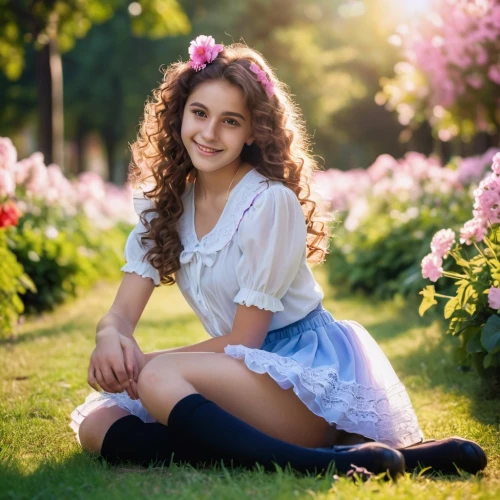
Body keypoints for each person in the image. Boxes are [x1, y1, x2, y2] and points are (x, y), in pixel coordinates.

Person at [70, 35, 487, 479]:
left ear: (253, 131)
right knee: (97, 425)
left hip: (299, 377)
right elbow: (120, 314)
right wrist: (110, 338)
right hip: (231, 373)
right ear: (179, 115)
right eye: (200, 113)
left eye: (230, 121)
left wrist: (143, 364)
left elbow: (246, 341)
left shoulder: (267, 202)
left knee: (158, 379)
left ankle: (320, 463)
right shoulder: (168, 205)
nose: (209, 133)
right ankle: (400, 457)